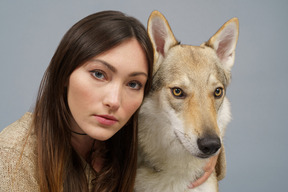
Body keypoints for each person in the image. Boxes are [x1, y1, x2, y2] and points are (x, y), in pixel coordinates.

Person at [0, 10, 220, 192]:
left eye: (133, 84)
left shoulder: (124, 133)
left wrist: (206, 150)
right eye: (98, 74)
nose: (114, 101)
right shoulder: (12, 158)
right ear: (64, 73)